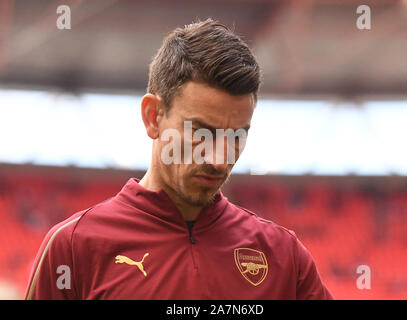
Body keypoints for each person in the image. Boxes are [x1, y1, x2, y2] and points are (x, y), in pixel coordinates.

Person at [25, 18, 332, 300]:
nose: (219, 160)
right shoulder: (73, 247)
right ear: (152, 117)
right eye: (201, 133)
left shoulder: (283, 256)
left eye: (236, 135)